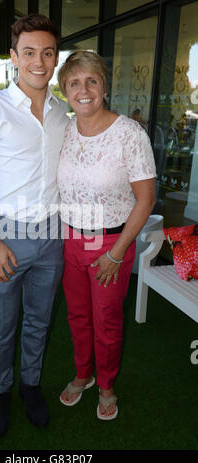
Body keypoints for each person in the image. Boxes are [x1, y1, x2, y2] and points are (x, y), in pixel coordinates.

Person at [0, 14, 69, 439]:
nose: (39, 62)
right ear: (13, 57)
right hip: (7, 234)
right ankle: (2, 391)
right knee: (2, 323)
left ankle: (30, 386)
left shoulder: (64, 110)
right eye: (29, 53)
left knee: (39, 321)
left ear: (55, 57)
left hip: (52, 235)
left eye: (47, 53)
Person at [57, 51, 156, 420]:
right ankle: (83, 374)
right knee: (78, 316)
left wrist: (116, 254)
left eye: (91, 81)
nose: (83, 90)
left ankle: (107, 384)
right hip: (69, 239)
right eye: (74, 83)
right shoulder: (65, 129)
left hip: (111, 243)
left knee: (107, 320)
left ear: (104, 86)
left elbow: (146, 199)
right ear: (65, 91)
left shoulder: (130, 134)